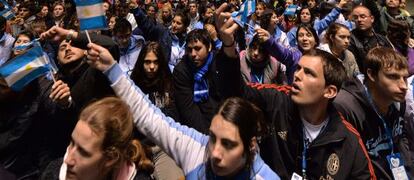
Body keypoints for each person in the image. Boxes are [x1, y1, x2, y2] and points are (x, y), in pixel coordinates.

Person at [216, 3, 376, 179]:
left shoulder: (348, 140)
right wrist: (228, 45)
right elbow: (235, 93)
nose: (297, 76)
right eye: (298, 69)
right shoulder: (277, 100)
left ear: (329, 91)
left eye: (308, 73)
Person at [83, 42, 280, 179]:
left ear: (251, 146)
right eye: (212, 137)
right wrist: (111, 68)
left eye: (228, 144)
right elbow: (148, 115)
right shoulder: (196, 149)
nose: (215, 152)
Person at [334, 47, 414, 179]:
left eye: (404, 78)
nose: (403, 86)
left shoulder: (399, 100)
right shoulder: (346, 105)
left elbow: (401, 140)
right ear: (371, 75)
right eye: (393, 77)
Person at [41, 97, 154, 180]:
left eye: (83, 152)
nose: (68, 160)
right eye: (72, 143)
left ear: (110, 159)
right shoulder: (54, 173)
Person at [255, 23, 319, 83]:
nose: (304, 38)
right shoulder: (295, 56)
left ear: (316, 40)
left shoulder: (323, 58)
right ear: (297, 41)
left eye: (308, 35)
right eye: (301, 35)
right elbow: (283, 53)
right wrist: (269, 41)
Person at [131, 6, 189, 72]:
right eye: (173, 22)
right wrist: (136, 9)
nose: (174, 25)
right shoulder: (163, 33)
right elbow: (147, 25)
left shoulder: (187, 40)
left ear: (185, 27)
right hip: (166, 75)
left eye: (178, 23)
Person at [348, 5, 393, 69]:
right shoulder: (349, 39)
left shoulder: (382, 39)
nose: (359, 20)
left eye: (363, 17)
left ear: (372, 19)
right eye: (355, 17)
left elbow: (392, 58)